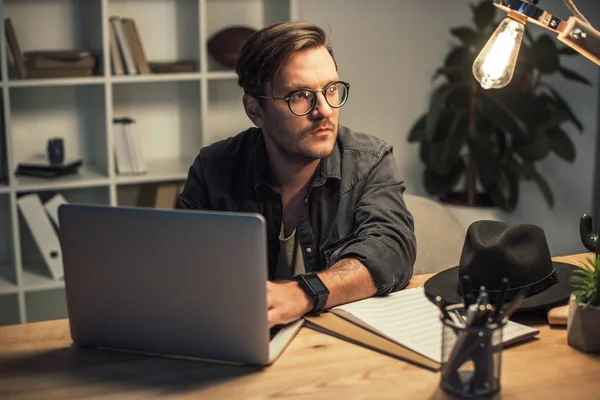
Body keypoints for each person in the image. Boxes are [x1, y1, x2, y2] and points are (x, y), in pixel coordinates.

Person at [176, 21, 416, 328]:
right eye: (300, 95)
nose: (324, 110)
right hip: (238, 334)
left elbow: (391, 251)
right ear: (254, 110)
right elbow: (183, 267)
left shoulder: (368, 161)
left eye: (331, 89)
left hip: (335, 344)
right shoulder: (214, 169)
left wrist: (303, 293)